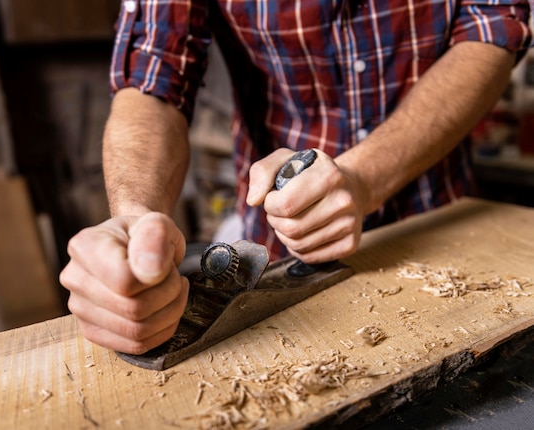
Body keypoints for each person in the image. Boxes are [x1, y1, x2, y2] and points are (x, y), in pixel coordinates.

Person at [60, 1, 532, 355]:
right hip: (285, 237)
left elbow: (493, 28)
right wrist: (136, 218)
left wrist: (363, 177)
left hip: (440, 226)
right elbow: (153, 76)